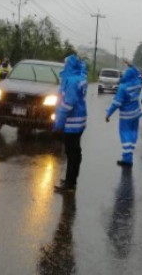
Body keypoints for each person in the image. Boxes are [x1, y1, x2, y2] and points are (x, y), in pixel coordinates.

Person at [53, 54, 88, 193]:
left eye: (66, 63)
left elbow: (69, 103)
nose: (64, 66)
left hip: (72, 122)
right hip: (80, 120)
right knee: (75, 152)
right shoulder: (80, 78)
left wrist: (59, 121)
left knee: (71, 153)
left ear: (70, 65)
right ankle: (71, 180)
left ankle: (69, 184)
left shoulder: (72, 81)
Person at [105, 63, 142, 167]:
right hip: (136, 114)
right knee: (133, 133)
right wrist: (133, 66)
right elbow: (138, 73)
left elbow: (116, 103)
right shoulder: (137, 83)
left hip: (126, 116)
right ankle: (129, 154)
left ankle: (127, 159)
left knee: (125, 135)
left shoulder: (123, 87)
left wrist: (108, 114)